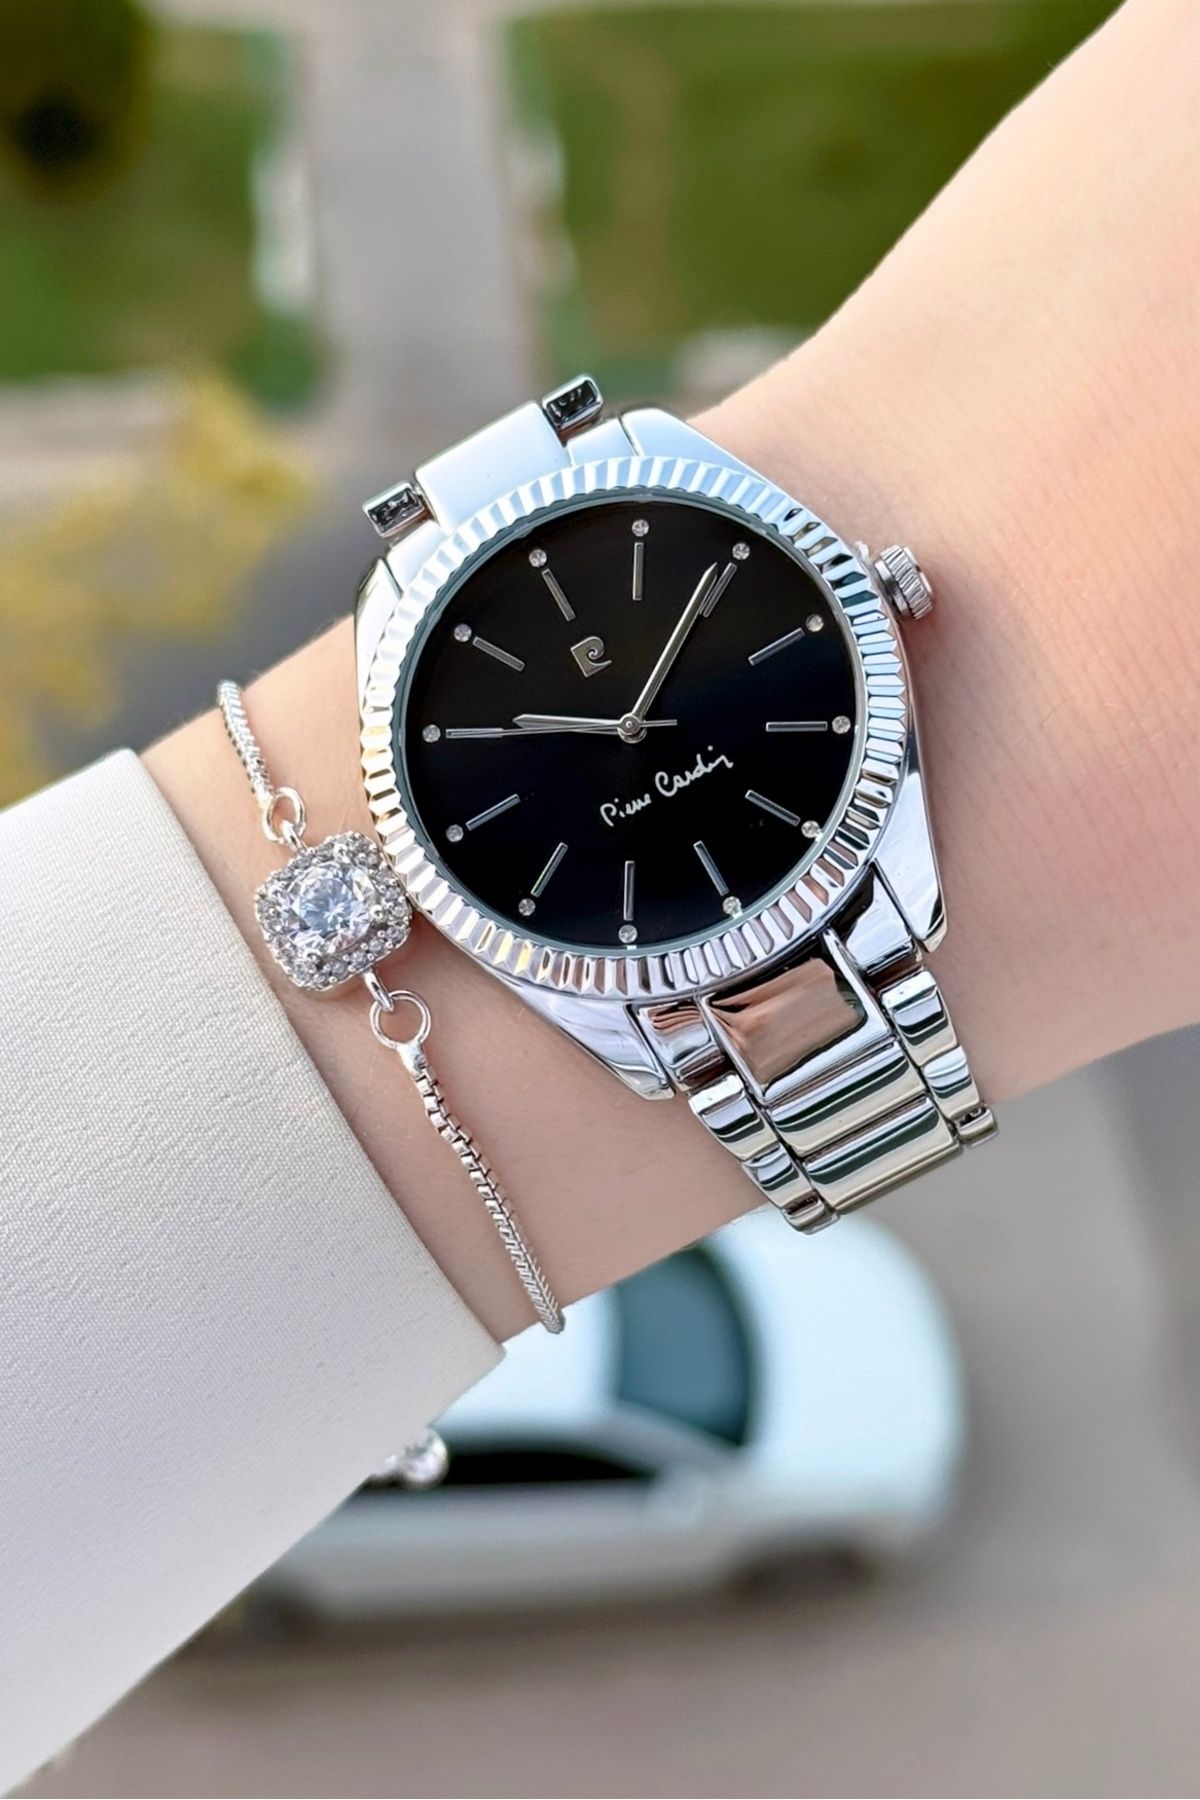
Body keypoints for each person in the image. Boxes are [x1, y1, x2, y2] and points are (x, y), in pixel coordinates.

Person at [1, 0, 1196, 1787]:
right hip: (678, 894)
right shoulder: (487, 802)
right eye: (597, 724)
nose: (638, 729)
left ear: (875, 592)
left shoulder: (765, 630)